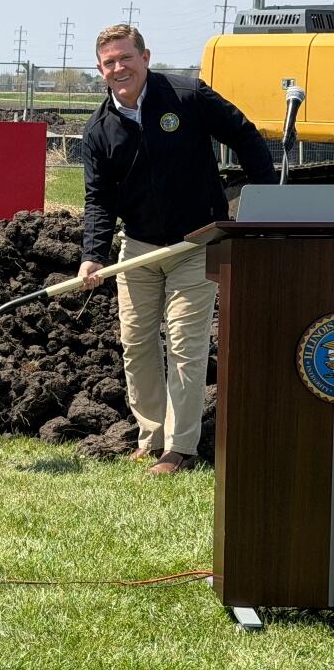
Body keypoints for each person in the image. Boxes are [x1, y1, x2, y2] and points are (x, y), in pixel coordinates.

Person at [78, 24, 274, 475]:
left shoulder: (187, 96)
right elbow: (98, 200)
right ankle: (152, 435)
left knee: (185, 343)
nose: (118, 67)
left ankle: (180, 448)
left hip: (195, 243)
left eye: (126, 57)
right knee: (137, 343)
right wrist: (94, 253)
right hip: (140, 248)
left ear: (146, 57)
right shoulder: (99, 131)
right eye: (109, 62)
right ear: (100, 70)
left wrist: (263, 200)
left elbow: (244, 135)